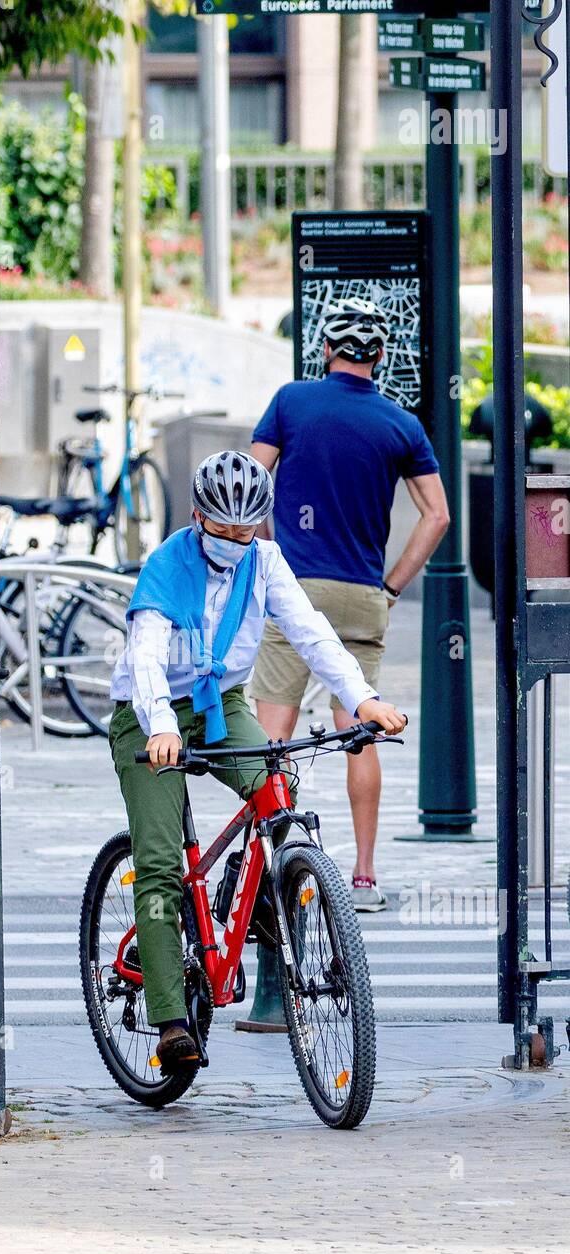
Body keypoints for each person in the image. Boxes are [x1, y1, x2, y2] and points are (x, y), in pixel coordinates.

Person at [108, 450, 406, 1070]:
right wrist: (162, 726)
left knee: (278, 799)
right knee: (160, 862)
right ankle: (169, 1019)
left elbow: (312, 632)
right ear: (198, 517)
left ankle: (268, 905)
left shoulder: (265, 562)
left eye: (247, 529)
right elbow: (145, 656)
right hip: (150, 715)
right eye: (223, 528)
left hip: (223, 705)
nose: (235, 540)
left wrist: (362, 698)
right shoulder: (168, 564)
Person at [250, 298, 450, 912]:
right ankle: (362, 878)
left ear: (326, 349)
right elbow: (436, 515)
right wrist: (390, 586)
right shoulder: (401, 425)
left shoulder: (290, 402)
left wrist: (265, 557)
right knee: (358, 732)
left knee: (272, 735)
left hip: (294, 588)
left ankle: (267, 869)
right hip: (363, 596)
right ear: (381, 358)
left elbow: (248, 484)